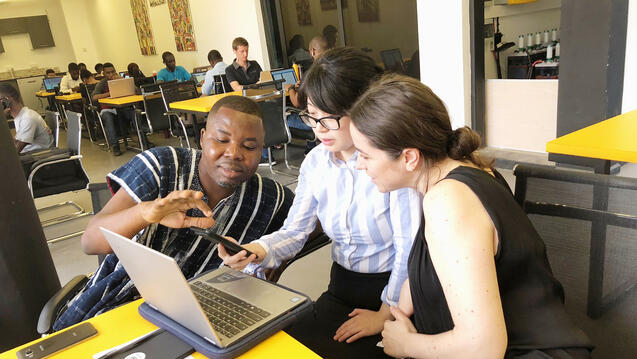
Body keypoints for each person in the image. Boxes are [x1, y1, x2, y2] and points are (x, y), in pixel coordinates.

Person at [348, 74, 593, 359]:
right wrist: (411, 288)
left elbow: (484, 348)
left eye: (365, 155)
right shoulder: (469, 168)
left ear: (409, 158)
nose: (358, 165)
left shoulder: (447, 201)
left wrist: (406, 345)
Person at [219, 48, 422, 359]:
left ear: (365, 109)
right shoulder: (316, 163)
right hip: (341, 288)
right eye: (311, 116)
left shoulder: (390, 162)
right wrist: (255, 251)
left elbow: (408, 249)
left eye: (328, 118)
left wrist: (385, 315)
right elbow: (295, 231)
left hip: (394, 298)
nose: (317, 129)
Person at [53, 95, 295, 332]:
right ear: (202, 138)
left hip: (205, 320)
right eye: (221, 140)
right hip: (119, 307)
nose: (233, 153)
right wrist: (146, 212)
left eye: (249, 146)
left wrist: (258, 262)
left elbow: (306, 229)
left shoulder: (270, 197)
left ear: (262, 149)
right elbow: (90, 242)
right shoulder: (163, 165)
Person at [91, 62, 135, 156]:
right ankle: (115, 145)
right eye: (108, 73)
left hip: (122, 107)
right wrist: (109, 93)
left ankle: (143, 138)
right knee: (108, 117)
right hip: (108, 109)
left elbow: (135, 90)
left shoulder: (120, 79)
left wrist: (122, 80)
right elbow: (94, 97)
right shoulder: (102, 83)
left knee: (135, 112)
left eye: (113, 72)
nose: (111, 75)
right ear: (104, 74)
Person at [0, 83, 52, 153]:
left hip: (39, 157)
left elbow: (15, 153)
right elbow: (15, 141)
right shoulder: (21, 116)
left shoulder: (27, 118)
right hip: (31, 154)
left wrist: (1, 120)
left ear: (5, 101)